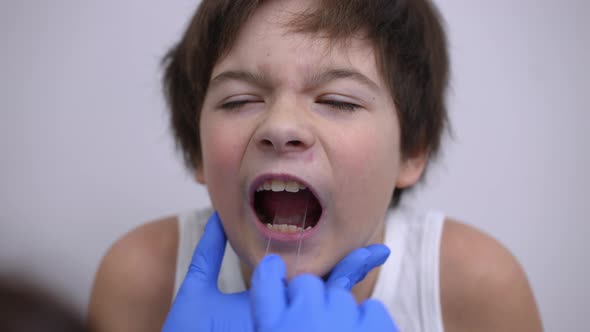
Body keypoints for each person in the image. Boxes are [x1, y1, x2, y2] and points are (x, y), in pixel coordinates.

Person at [88, 0, 543, 331]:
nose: (281, 125)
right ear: (196, 149)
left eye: (338, 101)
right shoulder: (140, 281)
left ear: (412, 151)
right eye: (240, 100)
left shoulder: (476, 288)